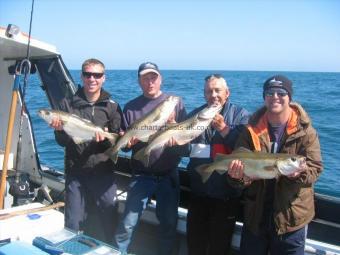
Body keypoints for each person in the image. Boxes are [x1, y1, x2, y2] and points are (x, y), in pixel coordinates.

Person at [227, 75, 323, 255]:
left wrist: (298, 174)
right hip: (256, 217)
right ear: (264, 97)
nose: (275, 97)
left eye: (281, 92)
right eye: (270, 92)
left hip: (291, 220)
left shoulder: (306, 132)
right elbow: (237, 177)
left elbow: (315, 168)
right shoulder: (250, 130)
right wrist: (238, 177)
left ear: (290, 97)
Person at [114, 62, 187, 255]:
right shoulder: (130, 108)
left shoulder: (175, 103)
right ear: (139, 81)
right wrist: (127, 143)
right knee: (128, 223)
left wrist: (173, 124)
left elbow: (185, 138)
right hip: (141, 174)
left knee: (169, 224)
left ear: (160, 78)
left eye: (153, 77)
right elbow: (128, 145)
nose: (150, 82)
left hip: (168, 174)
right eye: (145, 78)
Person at [50, 58, 122, 243]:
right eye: (88, 74)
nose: (92, 79)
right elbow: (62, 142)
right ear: (81, 76)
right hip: (76, 172)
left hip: (103, 172)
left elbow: (116, 142)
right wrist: (59, 131)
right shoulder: (67, 105)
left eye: (97, 75)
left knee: (109, 219)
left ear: (103, 78)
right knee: (72, 222)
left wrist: (106, 141)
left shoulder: (112, 106)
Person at [186, 74, 249, 255]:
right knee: (194, 245)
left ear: (227, 93)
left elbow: (247, 148)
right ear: (204, 95)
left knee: (219, 248)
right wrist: (174, 140)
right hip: (198, 193)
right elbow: (184, 150)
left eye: (217, 90)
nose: (213, 95)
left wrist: (223, 129)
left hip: (226, 196)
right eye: (209, 91)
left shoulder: (241, 115)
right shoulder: (195, 116)